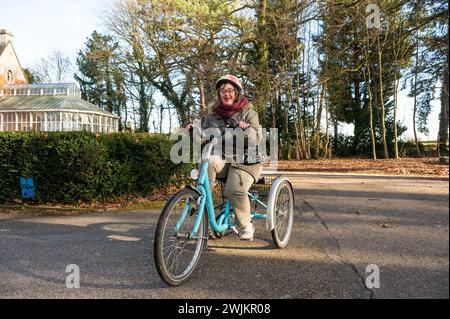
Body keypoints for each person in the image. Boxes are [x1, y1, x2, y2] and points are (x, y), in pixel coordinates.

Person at [185, 74, 263, 241]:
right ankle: (203, 206)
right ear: (219, 94)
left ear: (236, 93)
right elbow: (204, 138)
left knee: (233, 190)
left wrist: (246, 129)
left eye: (229, 90)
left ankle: (245, 225)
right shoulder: (213, 115)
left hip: (246, 161)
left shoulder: (248, 112)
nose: (226, 94)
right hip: (223, 157)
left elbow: (257, 138)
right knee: (208, 160)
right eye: (222, 91)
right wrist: (194, 132)